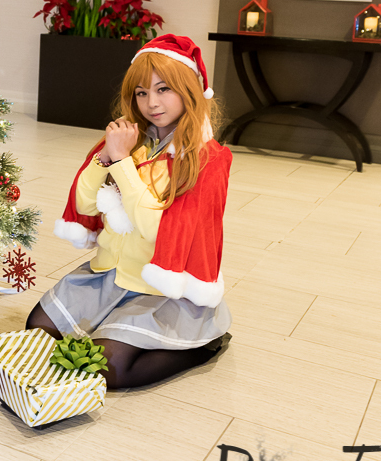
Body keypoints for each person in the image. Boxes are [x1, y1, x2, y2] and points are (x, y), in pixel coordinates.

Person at [26, 33, 232, 389]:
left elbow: (157, 230)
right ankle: (113, 324)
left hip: (160, 289)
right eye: (141, 92)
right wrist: (106, 156)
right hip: (110, 273)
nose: (152, 103)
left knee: (109, 368)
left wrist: (121, 162)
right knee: (37, 328)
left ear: (189, 90)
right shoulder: (129, 140)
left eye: (164, 89)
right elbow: (84, 204)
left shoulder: (207, 159)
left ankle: (204, 344)